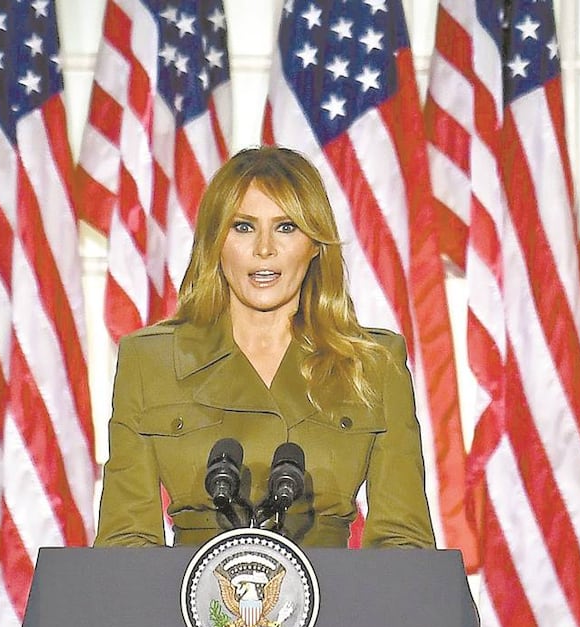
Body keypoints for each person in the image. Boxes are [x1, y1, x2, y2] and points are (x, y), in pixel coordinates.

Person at [94, 146, 435, 549]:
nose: (264, 249)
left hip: (334, 603)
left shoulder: (374, 364)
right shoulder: (150, 361)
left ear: (315, 245)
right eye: (243, 227)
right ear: (214, 242)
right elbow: (125, 541)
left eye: (286, 227)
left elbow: (403, 543)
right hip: (185, 603)